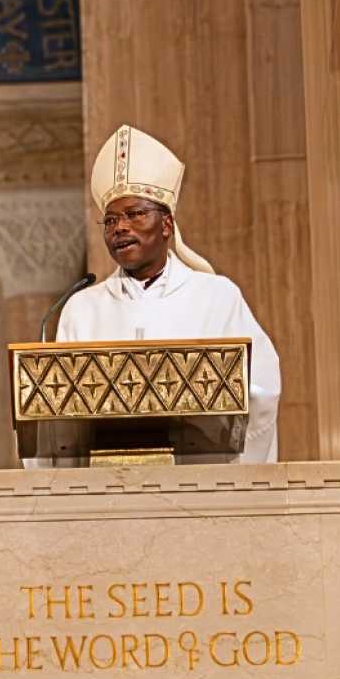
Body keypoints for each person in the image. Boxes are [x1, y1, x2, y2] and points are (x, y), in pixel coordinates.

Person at [56, 124, 281, 462]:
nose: (120, 227)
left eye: (134, 214)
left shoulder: (216, 297)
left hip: (199, 476)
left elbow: (261, 386)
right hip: (107, 481)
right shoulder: (82, 308)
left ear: (166, 225)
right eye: (111, 220)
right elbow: (57, 411)